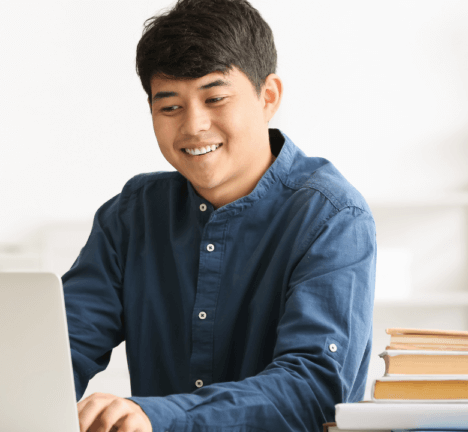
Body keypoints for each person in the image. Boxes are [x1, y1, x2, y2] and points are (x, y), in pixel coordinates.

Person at [63, 0, 376, 431]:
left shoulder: (332, 217)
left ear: (268, 97)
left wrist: (156, 416)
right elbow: (60, 349)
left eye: (215, 98)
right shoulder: (133, 215)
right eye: (170, 106)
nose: (193, 126)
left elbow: (314, 390)